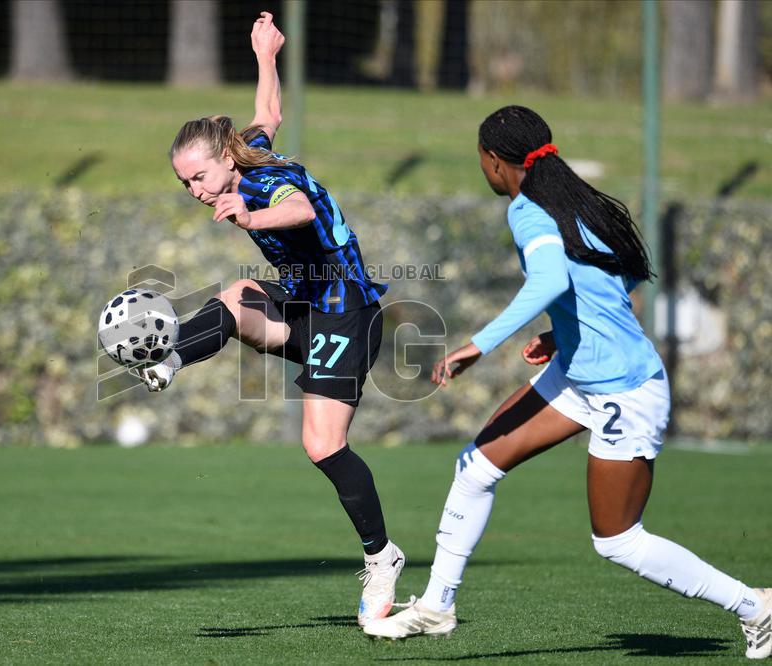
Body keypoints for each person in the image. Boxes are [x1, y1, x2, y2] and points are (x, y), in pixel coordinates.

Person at [362, 105, 770, 659]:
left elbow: (554, 277)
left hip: (625, 390)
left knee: (618, 541)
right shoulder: (573, 200)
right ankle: (436, 607)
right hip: (577, 375)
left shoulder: (529, 210)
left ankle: (756, 607)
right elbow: (618, 277)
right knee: (475, 467)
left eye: (480, 159)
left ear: (494, 160)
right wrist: (562, 335)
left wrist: (476, 345)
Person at [133, 12, 405, 626]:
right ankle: (171, 357)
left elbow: (302, 208)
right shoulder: (244, 152)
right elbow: (270, 113)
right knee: (238, 296)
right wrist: (266, 54)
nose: (197, 189)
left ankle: (382, 557)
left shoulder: (267, 183)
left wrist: (250, 220)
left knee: (320, 444)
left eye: (198, 176)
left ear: (223, 163)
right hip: (305, 304)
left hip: (347, 311)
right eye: (186, 183)